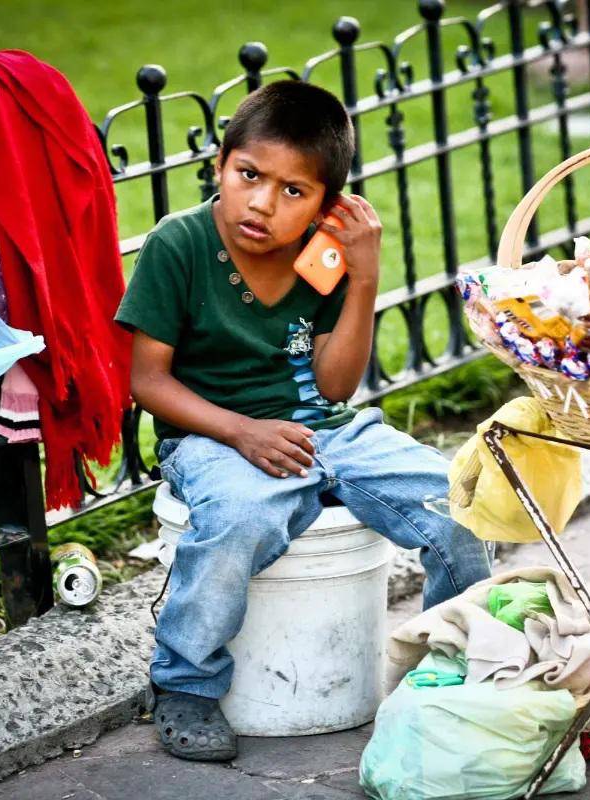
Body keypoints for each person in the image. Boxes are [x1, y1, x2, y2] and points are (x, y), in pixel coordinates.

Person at [114, 80, 493, 762]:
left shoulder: (322, 257)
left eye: (294, 191)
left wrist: (365, 277)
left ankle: (452, 673)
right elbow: (148, 381)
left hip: (329, 429)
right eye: (249, 175)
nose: (262, 202)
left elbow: (335, 384)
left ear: (327, 204)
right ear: (221, 164)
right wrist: (241, 431)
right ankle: (186, 683)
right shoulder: (180, 245)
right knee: (242, 518)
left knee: (462, 503)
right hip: (212, 436)